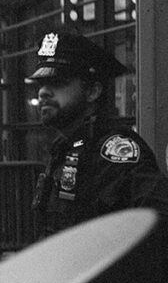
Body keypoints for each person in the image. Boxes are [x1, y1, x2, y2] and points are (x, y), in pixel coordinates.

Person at [27, 31, 168, 242]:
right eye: (41, 84)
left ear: (93, 92)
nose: (43, 92)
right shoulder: (65, 147)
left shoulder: (116, 152)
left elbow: (157, 224)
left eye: (58, 82)